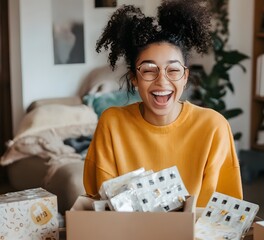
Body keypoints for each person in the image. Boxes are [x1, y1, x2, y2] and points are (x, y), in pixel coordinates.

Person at [83, 0, 243, 207]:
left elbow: (224, 212)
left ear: (185, 76)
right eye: (149, 70)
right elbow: (102, 205)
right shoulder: (112, 123)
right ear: (134, 77)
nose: (162, 81)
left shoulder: (214, 126)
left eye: (173, 70)